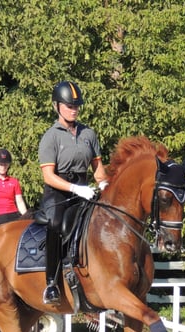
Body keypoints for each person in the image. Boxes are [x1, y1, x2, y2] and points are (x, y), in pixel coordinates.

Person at [38, 80, 107, 304]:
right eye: (69, 106)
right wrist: (75, 188)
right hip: (58, 192)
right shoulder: (51, 136)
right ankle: (51, 283)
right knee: (56, 225)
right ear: (57, 106)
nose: (74, 110)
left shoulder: (89, 134)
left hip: (85, 188)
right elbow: (48, 176)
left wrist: (104, 185)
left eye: (76, 106)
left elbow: (98, 169)